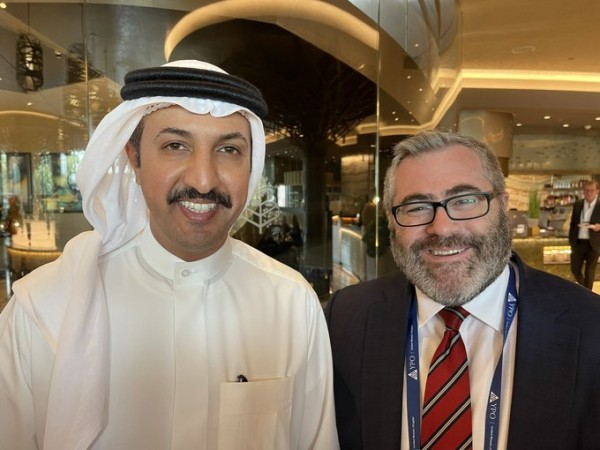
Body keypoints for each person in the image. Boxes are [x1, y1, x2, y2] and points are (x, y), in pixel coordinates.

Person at [0, 60, 339, 450]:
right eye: (175, 146)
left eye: (229, 149)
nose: (203, 180)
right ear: (134, 157)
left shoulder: (292, 303)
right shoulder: (43, 310)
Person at [325, 129, 600, 450]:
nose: (441, 228)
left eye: (465, 200)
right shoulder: (346, 318)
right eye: (417, 207)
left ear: (503, 205)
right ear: (391, 220)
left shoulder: (590, 326)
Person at [568, 179, 600, 289]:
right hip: (578, 243)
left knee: (589, 272)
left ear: (597, 191)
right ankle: (584, 289)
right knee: (575, 269)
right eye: (586, 190)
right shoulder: (578, 204)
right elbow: (573, 223)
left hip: (594, 244)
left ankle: (587, 294)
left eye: (592, 190)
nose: (589, 193)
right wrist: (571, 241)